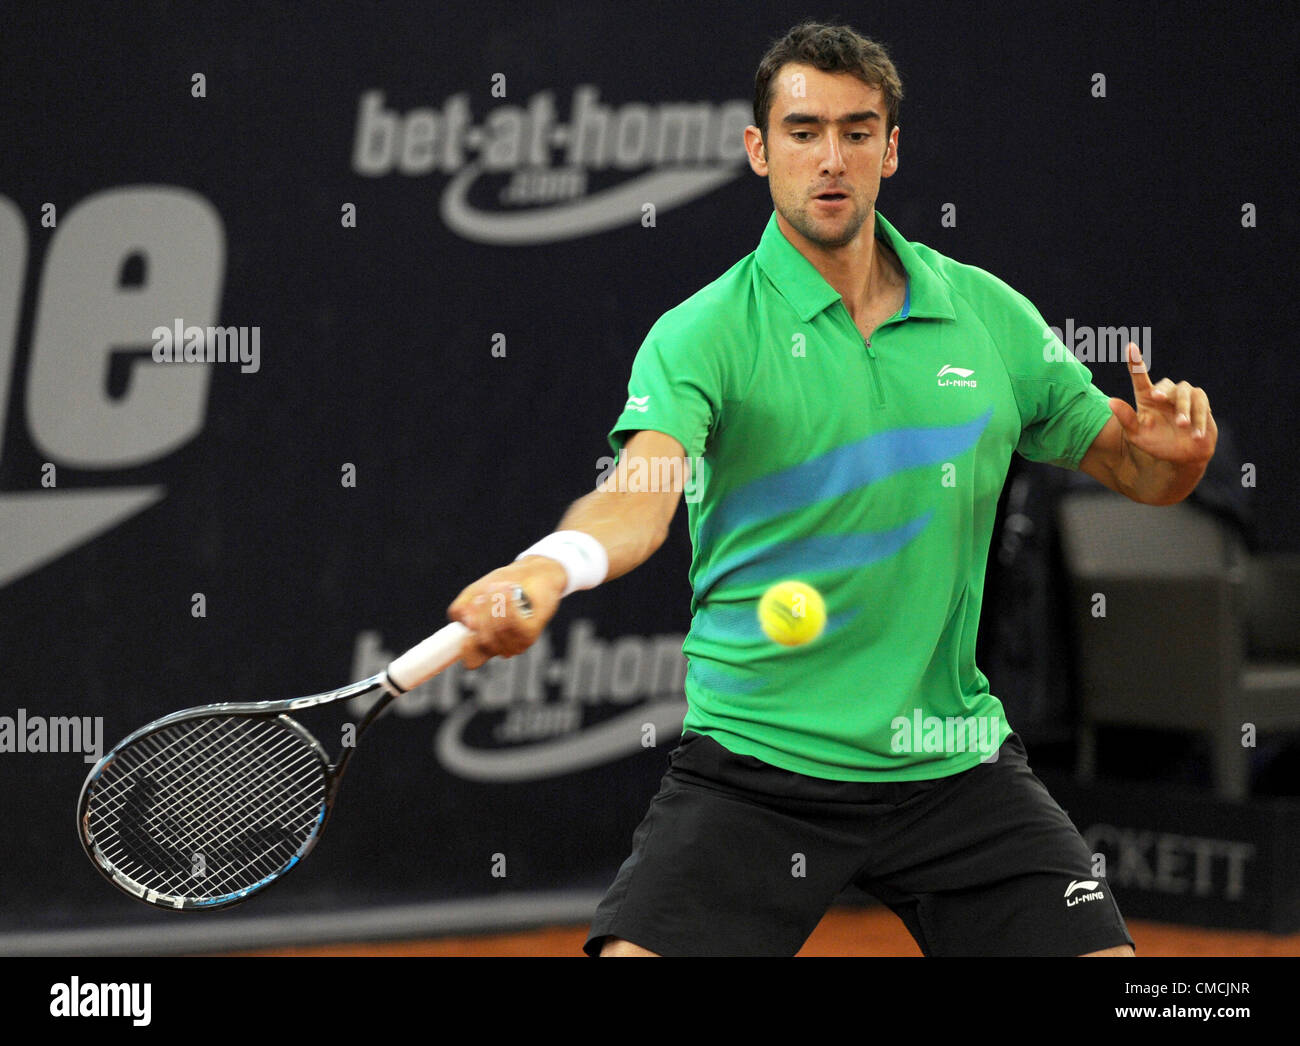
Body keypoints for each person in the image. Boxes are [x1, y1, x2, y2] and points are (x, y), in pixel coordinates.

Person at [447, 21, 1216, 957]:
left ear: (891, 150)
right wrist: (547, 568)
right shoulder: (705, 333)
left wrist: (1175, 456)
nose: (831, 159)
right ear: (758, 150)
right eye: (804, 131)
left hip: (951, 765)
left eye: (857, 132)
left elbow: (1136, 470)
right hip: (759, 769)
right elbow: (637, 499)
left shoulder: (986, 313)